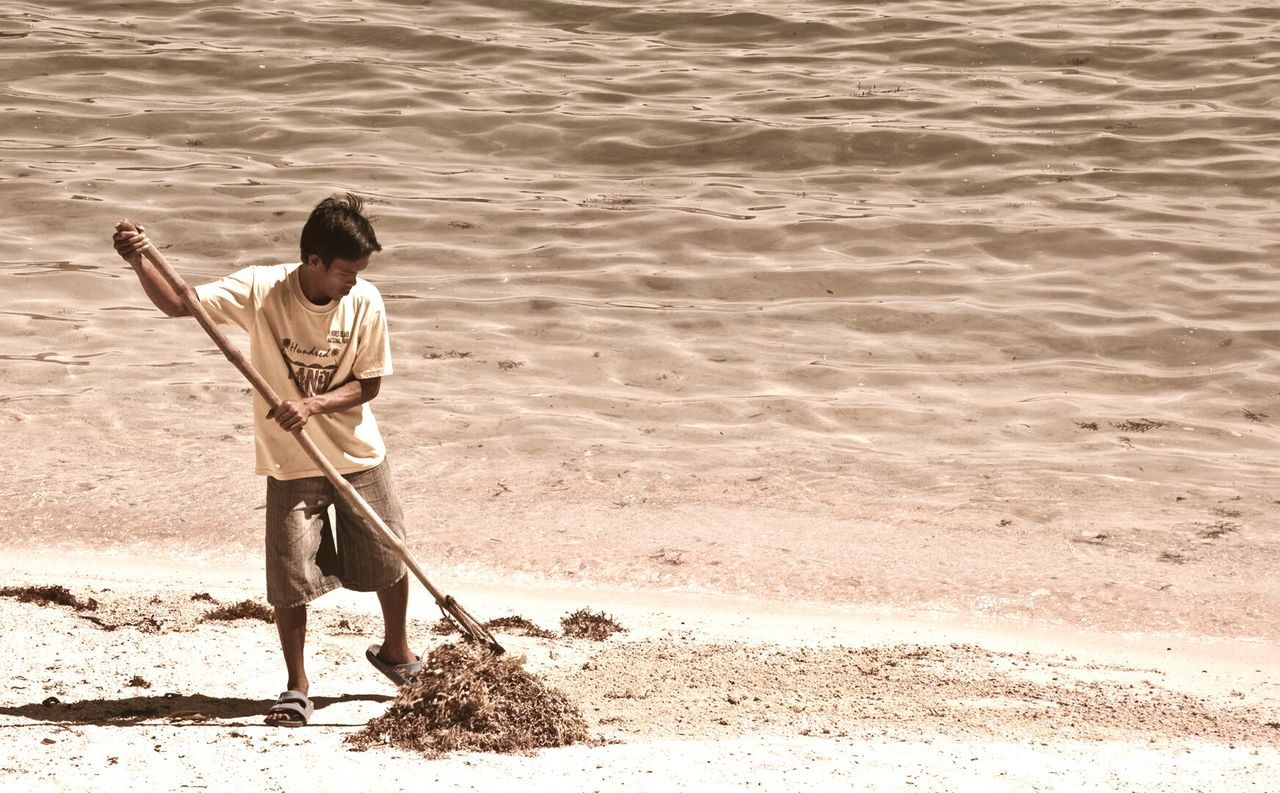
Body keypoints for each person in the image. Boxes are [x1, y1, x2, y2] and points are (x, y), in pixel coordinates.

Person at [113, 194, 421, 727]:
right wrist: (139, 260)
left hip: (357, 453)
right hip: (289, 461)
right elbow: (179, 303)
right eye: (346, 271)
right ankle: (297, 685)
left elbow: (369, 384)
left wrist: (313, 403)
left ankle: (395, 651)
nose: (354, 281)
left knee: (389, 556)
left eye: (359, 272)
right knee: (288, 576)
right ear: (314, 262)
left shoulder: (366, 301)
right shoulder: (262, 288)